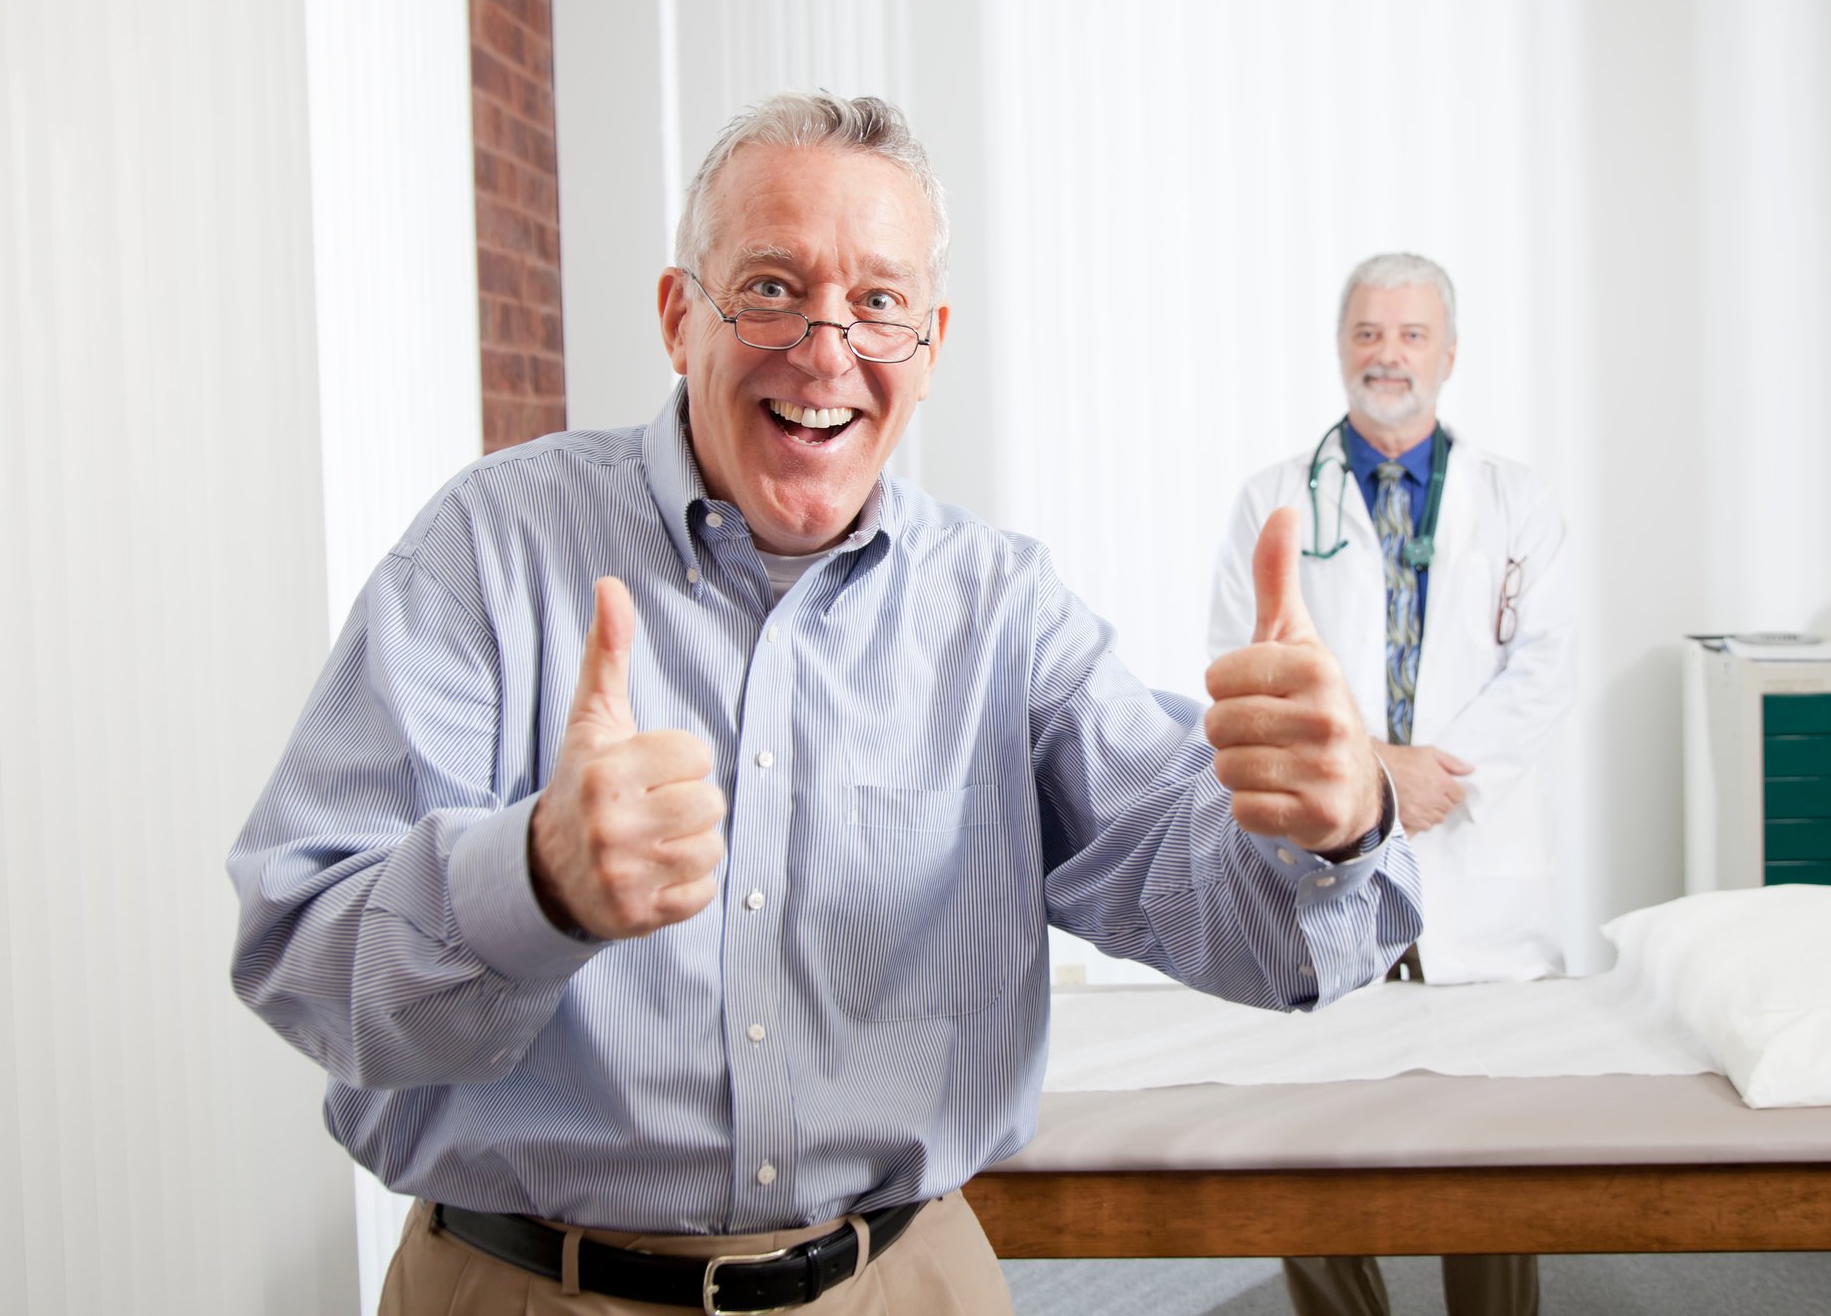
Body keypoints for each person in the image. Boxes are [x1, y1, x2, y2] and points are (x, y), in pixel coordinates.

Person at [229, 93, 1423, 1316]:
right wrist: (528, 882)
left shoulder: (1001, 607)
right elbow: (303, 961)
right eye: (770, 287)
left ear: (931, 341)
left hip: (900, 1287)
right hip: (532, 1288)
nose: (825, 346)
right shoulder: (490, 550)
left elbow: (1262, 939)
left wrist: (1335, 824)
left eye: (878, 303)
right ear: (677, 314)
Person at [1209, 252, 1575, 1316]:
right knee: (1314, 1131)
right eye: (1369, 332)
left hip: (1477, 854)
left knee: (1489, 1146)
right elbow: (1246, 668)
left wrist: (1431, 780)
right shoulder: (1272, 500)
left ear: (1448, 355)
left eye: (1411, 335)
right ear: (1340, 348)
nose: (1388, 354)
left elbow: (1543, 667)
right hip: (1326, 859)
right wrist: (1372, 775)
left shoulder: (1520, 502)